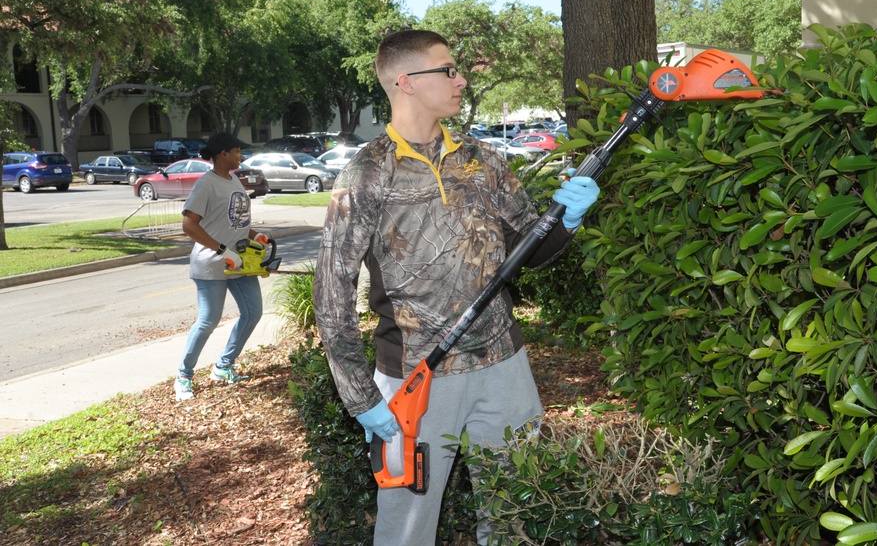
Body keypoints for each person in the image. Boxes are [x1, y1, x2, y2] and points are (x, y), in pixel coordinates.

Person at [312, 29, 600, 544]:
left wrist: (568, 221)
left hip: (503, 365)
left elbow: (529, 253)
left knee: (519, 509)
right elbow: (332, 290)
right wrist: (360, 398)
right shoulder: (366, 174)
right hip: (415, 376)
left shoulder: (483, 160)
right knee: (407, 528)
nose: (460, 79)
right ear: (406, 82)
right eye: (447, 70)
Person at [173, 132, 266, 401]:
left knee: (253, 313)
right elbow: (189, 225)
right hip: (211, 264)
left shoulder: (234, 179)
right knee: (208, 321)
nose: (241, 155)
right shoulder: (206, 184)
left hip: (240, 262)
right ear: (222, 154)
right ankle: (183, 376)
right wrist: (222, 250)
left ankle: (224, 366)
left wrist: (254, 235)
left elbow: (234, 220)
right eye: (237, 151)